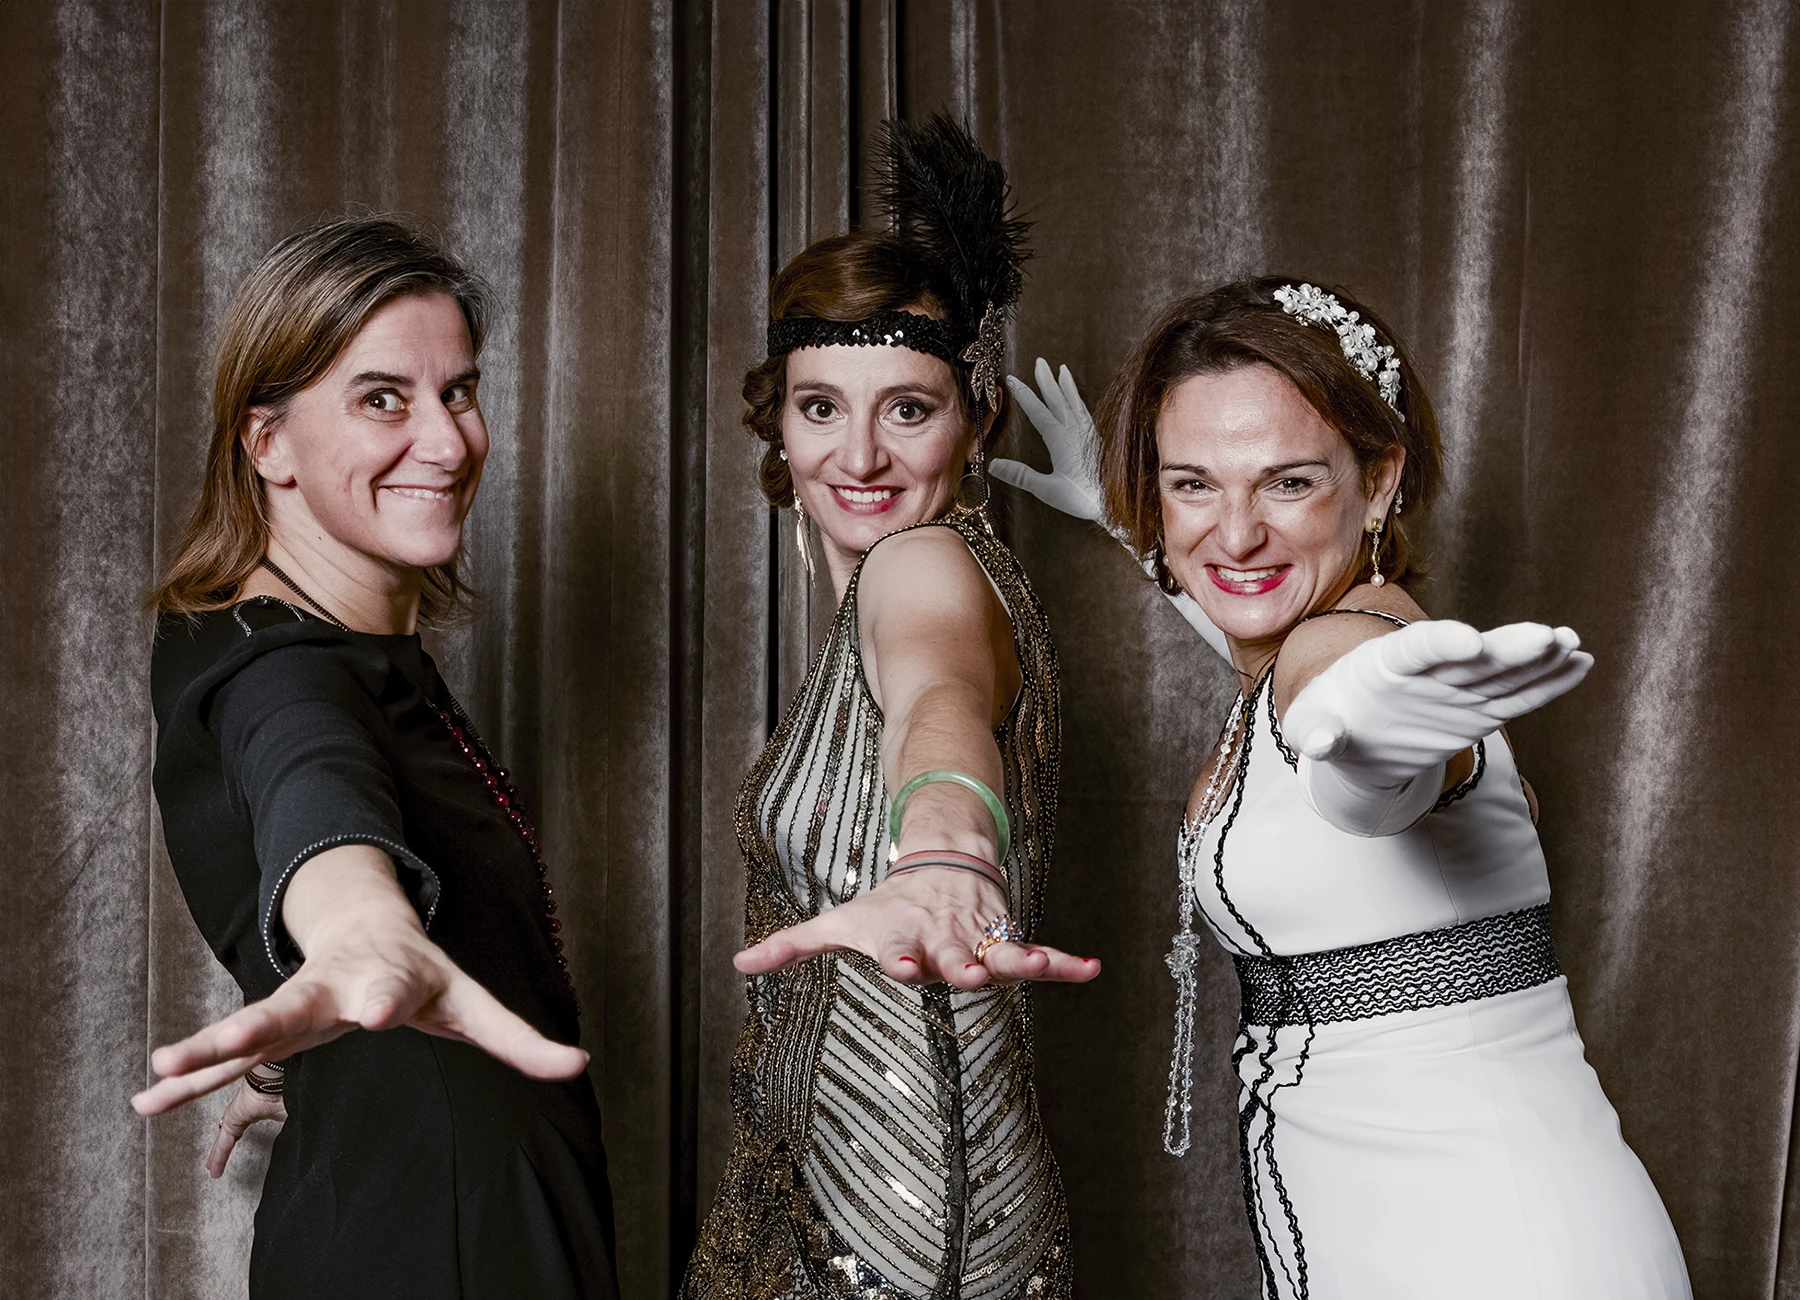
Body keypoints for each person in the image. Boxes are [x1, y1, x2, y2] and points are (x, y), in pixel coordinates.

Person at [997, 278, 1690, 1298]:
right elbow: (1237, 605)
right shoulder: (1276, 656)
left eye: (1288, 483)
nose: (1233, 532)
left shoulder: (1349, 648)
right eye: (1191, 483)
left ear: (1378, 484)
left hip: (1508, 1253)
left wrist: (1371, 742)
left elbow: (1353, 737)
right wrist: (1124, 520)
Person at [139, 215, 618, 1299]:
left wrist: (321, 1037)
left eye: (458, 390)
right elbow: (315, 789)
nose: (449, 442)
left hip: (438, 1193)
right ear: (268, 444)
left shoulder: (252, 632)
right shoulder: (280, 670)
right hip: (442, 1244)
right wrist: (358, 933)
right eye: (381, 399)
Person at [681, 116, 1099, 1300]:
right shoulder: (890, 581)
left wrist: (947, 842)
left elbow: (940, 697)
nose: (859, 452)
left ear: (973, 422)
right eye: (822, 406)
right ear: (778, 418)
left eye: (907, 409)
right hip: (829, 1202)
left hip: (909, 1238)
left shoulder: (922, 570)